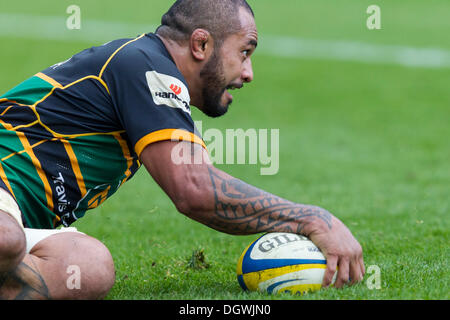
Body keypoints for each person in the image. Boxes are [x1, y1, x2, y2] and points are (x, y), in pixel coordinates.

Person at [0, 0, 364, 299]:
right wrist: (311, 218)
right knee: (6, 239)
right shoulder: (144, 64)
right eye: (244, 52)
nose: (249, 72)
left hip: (16, 217)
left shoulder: (148, 73)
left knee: (90, 265)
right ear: (201, 44)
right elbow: (195, 190)